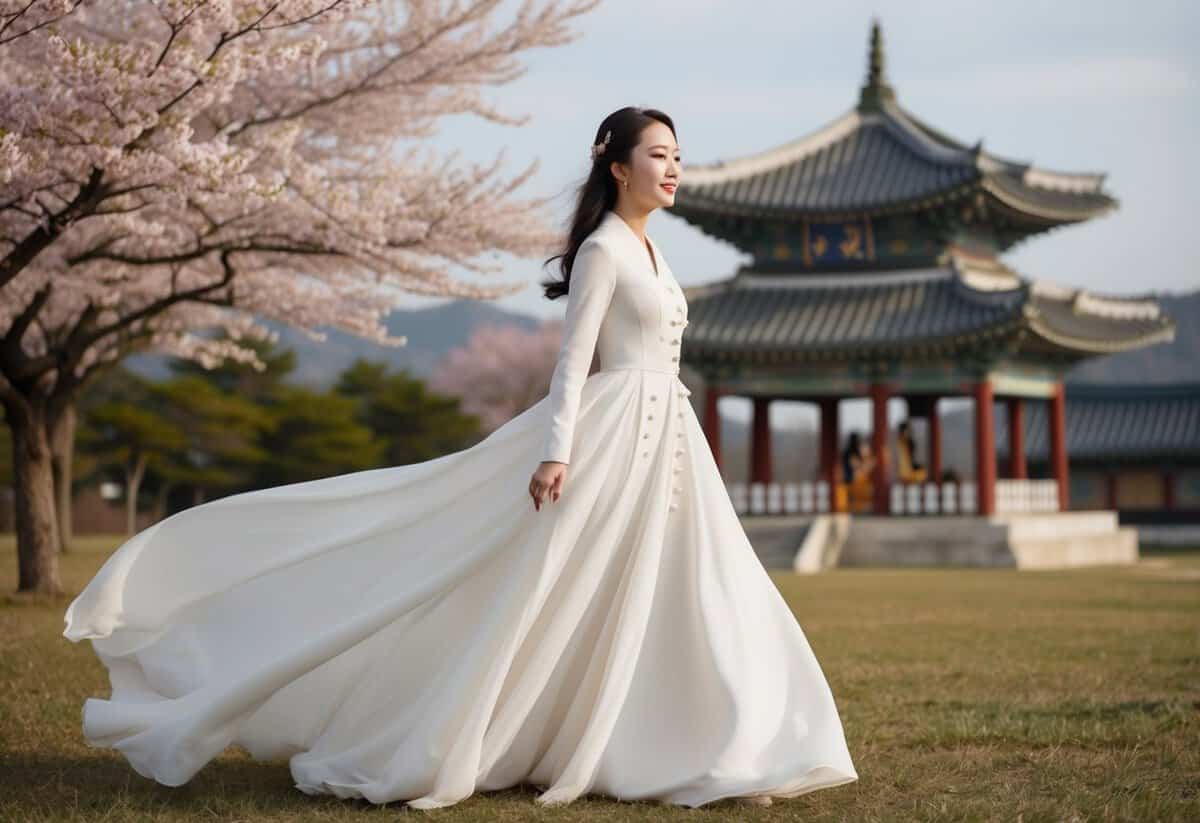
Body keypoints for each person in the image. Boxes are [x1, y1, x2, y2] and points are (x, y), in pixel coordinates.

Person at [63, 107, 858, 811]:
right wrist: (556, 454)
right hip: (609, 436)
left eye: (678, 155)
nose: (674, 167)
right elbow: (573, 363)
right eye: (658, 154)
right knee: (545, 590)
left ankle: (719, 738)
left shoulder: (654, 254)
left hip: (670, 443)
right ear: (617, 167)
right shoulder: (604, 252)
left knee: (695, 587)